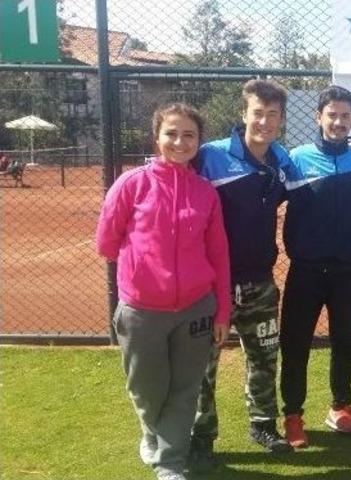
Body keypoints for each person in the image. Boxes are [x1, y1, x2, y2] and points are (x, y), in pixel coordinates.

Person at [95, 103, 231, 480]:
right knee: (147, 387)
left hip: (195, 308)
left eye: (189, 135)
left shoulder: (206, 193)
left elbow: (219, 255)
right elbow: (106, 242)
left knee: (185, 389)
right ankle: (150, 431)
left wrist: (222, 313)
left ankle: (170, 463)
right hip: (142, 310)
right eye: (171, 133)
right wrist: (140, 273)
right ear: (157, 137)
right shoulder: (131, 184)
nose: (180, 141)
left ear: (199, 142)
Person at [188, 79, 293, 470]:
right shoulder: (209, 156)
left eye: (272, 114)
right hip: (212, 284)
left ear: (281, 119)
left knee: (264, 357)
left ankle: (264, 425)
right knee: (203, 365)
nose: (264, 121)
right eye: (257, 113)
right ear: (243, 113)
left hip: (261, 282)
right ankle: (202, 436)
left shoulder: (282, 160)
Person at [279, 85, 351, 447]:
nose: (338, 122)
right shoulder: (295, 160)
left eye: (345, 116)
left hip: (347, 270)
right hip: (306, 270)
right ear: (319, 117)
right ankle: (293, 414)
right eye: (332, 114)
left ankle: (340, 406)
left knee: (345, 342)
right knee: (295, 344)